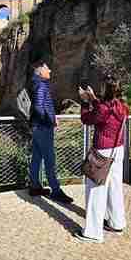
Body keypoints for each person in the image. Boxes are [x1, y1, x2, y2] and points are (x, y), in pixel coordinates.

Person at [75, 78, 129, 243]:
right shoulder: (121, 106)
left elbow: (87, 119)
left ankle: (92, 232)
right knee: (115, 187)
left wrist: (85, 102)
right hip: (117, 150)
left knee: (96, 191)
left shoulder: (103, 109)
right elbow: (105, 107)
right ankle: (116, 222)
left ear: (104, 90)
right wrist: (93, 99)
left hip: (102, 152)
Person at [28, 60, 74, 204]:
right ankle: (56, 191)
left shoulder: (37, 83)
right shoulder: (41, 85)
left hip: (36, 127)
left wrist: (51, 117)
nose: (50, 71)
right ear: (41, 71)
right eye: (48, 69)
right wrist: (50, 120)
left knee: (36, 157)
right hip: (43, 127)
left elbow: (39, 106)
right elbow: (39, 107)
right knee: (50, 160)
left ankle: (35, 186)